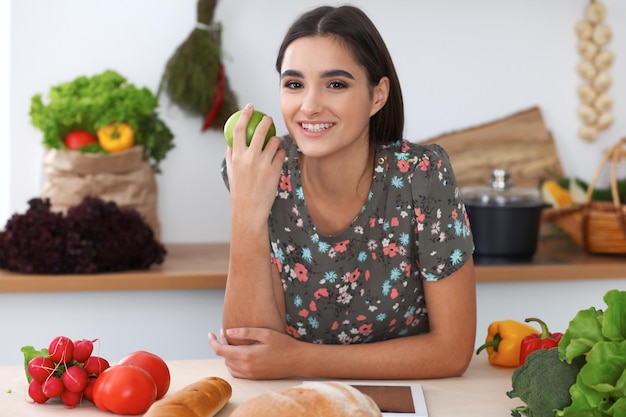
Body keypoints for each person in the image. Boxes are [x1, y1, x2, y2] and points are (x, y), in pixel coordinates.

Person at [208, 5, 476, 380]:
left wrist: (298, 359)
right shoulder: (266, 173)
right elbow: (250, 352)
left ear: (377, 95)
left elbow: (452, 351)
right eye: (294, 84)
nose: (310, 106)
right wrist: (246, 214)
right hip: (299, 399)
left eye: (335, 84)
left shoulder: (422, 175)